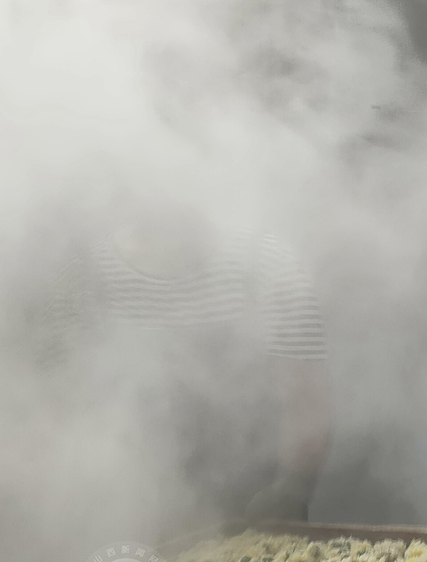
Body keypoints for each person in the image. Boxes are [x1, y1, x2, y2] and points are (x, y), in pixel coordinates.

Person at [39, 196, 333, 527]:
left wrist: (292, 489)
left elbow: (307, 396)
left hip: (252, 509)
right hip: (120, 510)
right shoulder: (84, 279)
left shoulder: (263, 261)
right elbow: (60, 408)